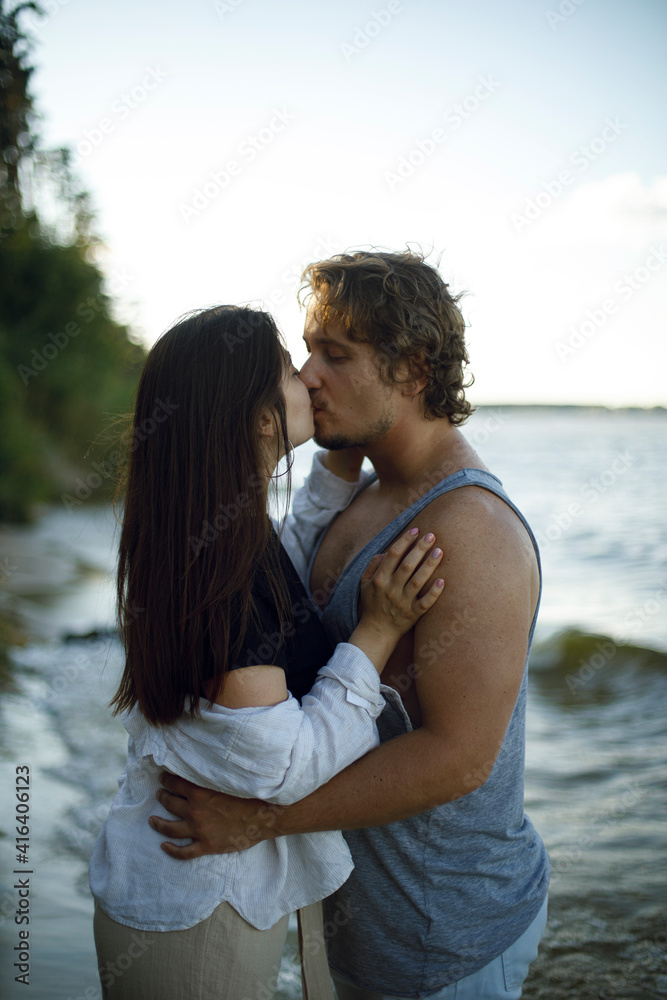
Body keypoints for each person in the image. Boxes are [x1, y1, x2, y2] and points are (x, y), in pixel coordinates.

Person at [149, 252, 551, 1000]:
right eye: (306, 351)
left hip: (444, 936)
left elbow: (459, 759)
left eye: (335, 355)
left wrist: (260, 821)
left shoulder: (471, 531)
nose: (306, 376)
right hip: (353, 929)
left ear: (412, 369)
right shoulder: (360, 493)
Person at [88, 304, 447, 1000]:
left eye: (325, 361)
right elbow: (286, 768)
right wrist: (376, 632)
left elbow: (300, 528)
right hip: (195, 917)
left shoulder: (203, 528)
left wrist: (345, 444)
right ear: (259, 420)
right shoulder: (221, 584)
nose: (310, 378)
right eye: (290, 370)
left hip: (175, 888)